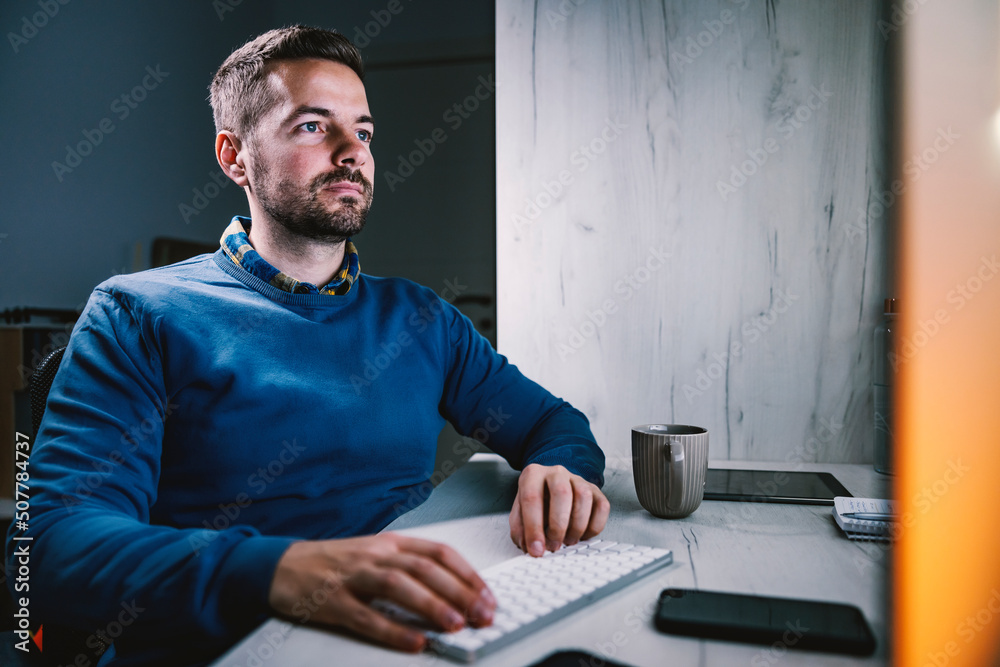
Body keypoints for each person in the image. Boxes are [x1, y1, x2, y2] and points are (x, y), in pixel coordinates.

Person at [6, 25, 608, 666]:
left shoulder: (422, 318)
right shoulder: (137, 314)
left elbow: (553, 423)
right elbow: (51, 547)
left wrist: (562, 472)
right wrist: (281, 574)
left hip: (414, 639)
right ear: (235, 157)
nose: (354, 152)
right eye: (314, 127)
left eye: (365, 131)